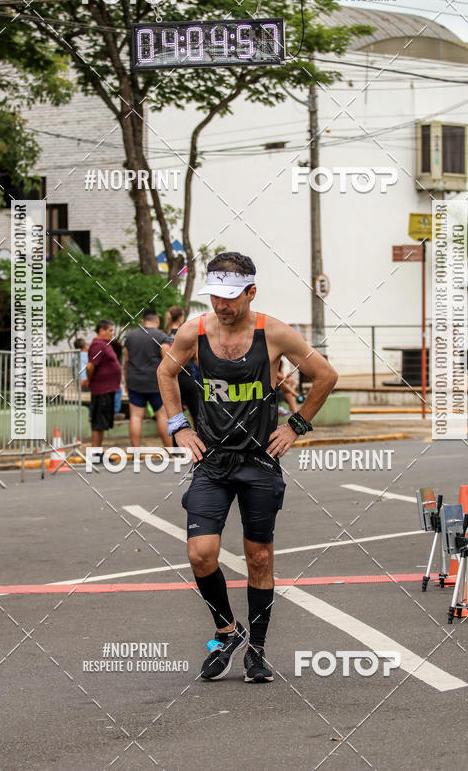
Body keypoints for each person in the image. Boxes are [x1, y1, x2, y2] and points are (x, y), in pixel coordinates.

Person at [157, 252, 337, 684]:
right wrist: (179, 426)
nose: (222, 305)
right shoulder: (194, 331)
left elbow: (326, 375)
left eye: (231, 296)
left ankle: (256, 649)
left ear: (251, 292)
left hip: (260, 460)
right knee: (201, 554)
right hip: (212, 461)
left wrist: (295, 426)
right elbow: (166, 373)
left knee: (259, 557)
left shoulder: (273, 332)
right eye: (216, 296)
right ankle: (226, 630)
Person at [124, 309, 172, 448]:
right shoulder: (161, 336)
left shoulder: (130, 336)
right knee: (162, 416)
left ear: (142, 321)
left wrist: (126, 380)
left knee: (135, 417)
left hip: (135, 382)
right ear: (157, 321)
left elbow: (126, 361)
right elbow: (167, 361)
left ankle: (136, 452)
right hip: (155, 383)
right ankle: (170, 451)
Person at [82, 321, 122, 467]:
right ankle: (94, 453)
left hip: (109, 389)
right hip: (101, 389)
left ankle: (98, 452)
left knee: (102, 422)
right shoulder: (97, 345)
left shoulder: (105, 344)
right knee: (98, 422)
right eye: (110, 330)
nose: (112, 333)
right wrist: (89, 379)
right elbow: (90, 366)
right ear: (101, 330)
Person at [164, 305, 201, 427]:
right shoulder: (185, 334)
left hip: (171, 377)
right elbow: (196, 357)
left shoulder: (164, 336)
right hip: (187, 376)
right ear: (180, 318)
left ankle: (177, 445)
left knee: (176, 417)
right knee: (197, 413)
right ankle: (202, 442)